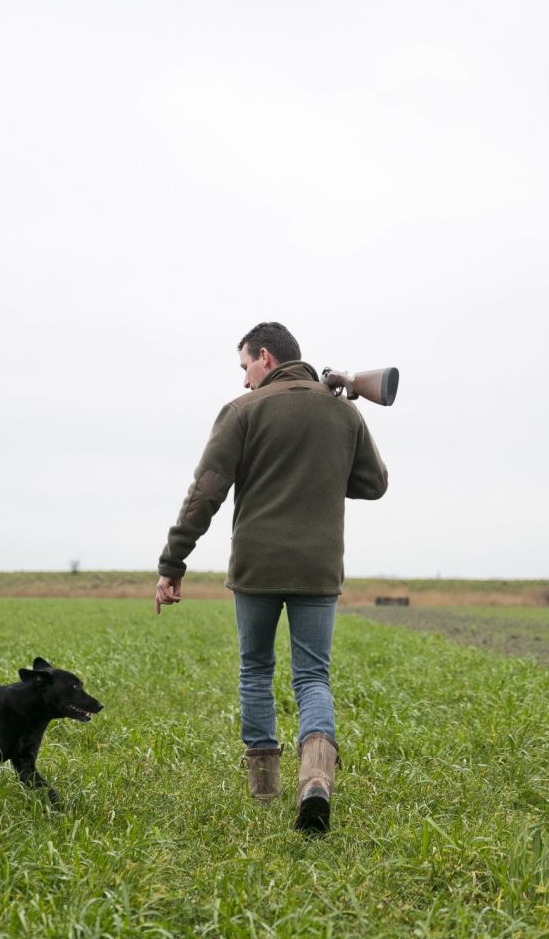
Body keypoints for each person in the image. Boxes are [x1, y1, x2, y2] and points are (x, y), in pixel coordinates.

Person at [154, 321, 388, 833]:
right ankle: (316, 781)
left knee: (256, 670)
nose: (243, 381)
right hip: (318, 568)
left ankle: (263, 791)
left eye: (244, 367)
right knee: (312, 678)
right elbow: (374, 484)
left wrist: (173, 563)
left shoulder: (243, 412)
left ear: (265, 356)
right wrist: (331, 445)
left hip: (257, 566)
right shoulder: (342, 410)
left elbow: (205, 493)